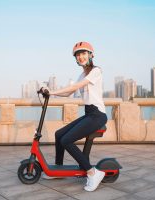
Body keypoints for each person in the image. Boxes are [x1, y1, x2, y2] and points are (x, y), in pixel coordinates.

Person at [42, 41, 108, 192]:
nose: (81, 57)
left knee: (66, 140)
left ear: (91, 55)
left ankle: (92, 173)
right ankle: (58, 170)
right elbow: (68, 92)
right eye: (78, 55)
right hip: (89, 114)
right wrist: (50, 92)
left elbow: (74, 87)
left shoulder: (96, 71)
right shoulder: (81, 75)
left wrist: (52, 92)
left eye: (84, 53)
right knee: (59, 135)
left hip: (97, 115)